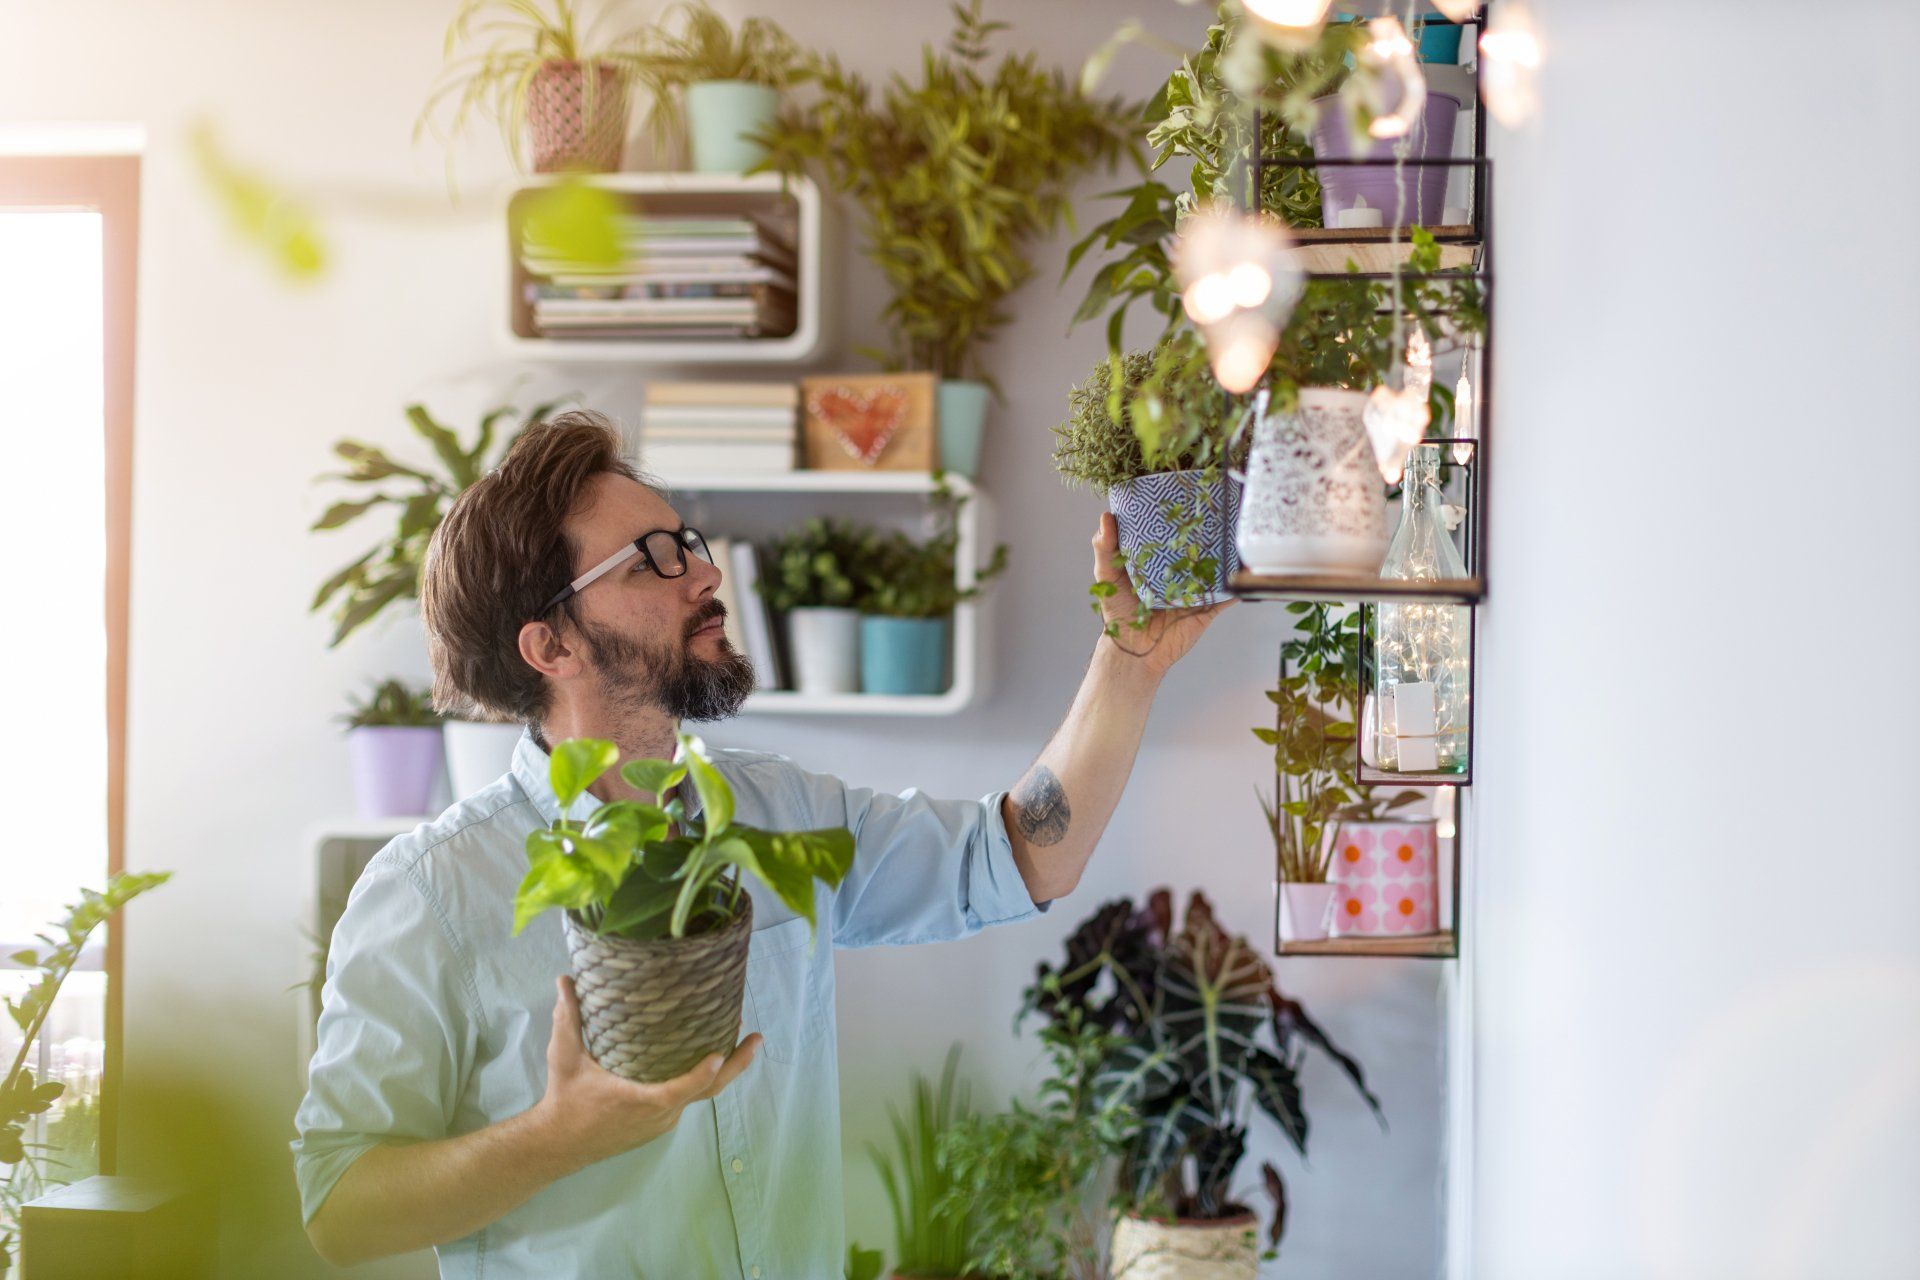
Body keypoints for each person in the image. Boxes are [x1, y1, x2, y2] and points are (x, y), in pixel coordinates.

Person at [292, 411, 1227, 1276]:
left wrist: (1128, 665)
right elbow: (339, 1209)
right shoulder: (429, 895)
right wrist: (558, 1135)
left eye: (688, 545)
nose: (706, 576)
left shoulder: (780, 813)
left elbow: (1024, 856)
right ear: (551, 648)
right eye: (651, 560)